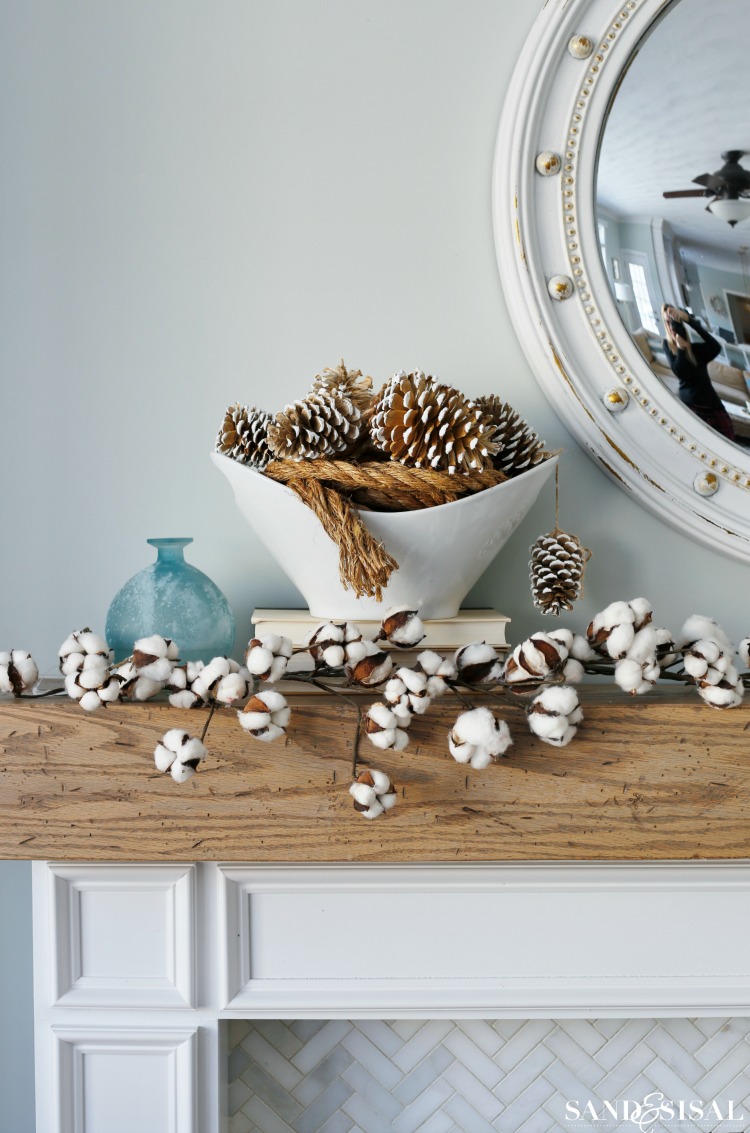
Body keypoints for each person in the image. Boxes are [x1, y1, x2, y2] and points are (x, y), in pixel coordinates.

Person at [660, 303, 736, 441]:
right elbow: (679, 371)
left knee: (730, 440)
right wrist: (681, 349)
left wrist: (690, 321)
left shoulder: (697, 350)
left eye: (673, 320)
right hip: (692, 406)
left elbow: (715, 347)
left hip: (712, 403)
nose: (671, 326)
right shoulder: (667, 345)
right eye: (667, 321)